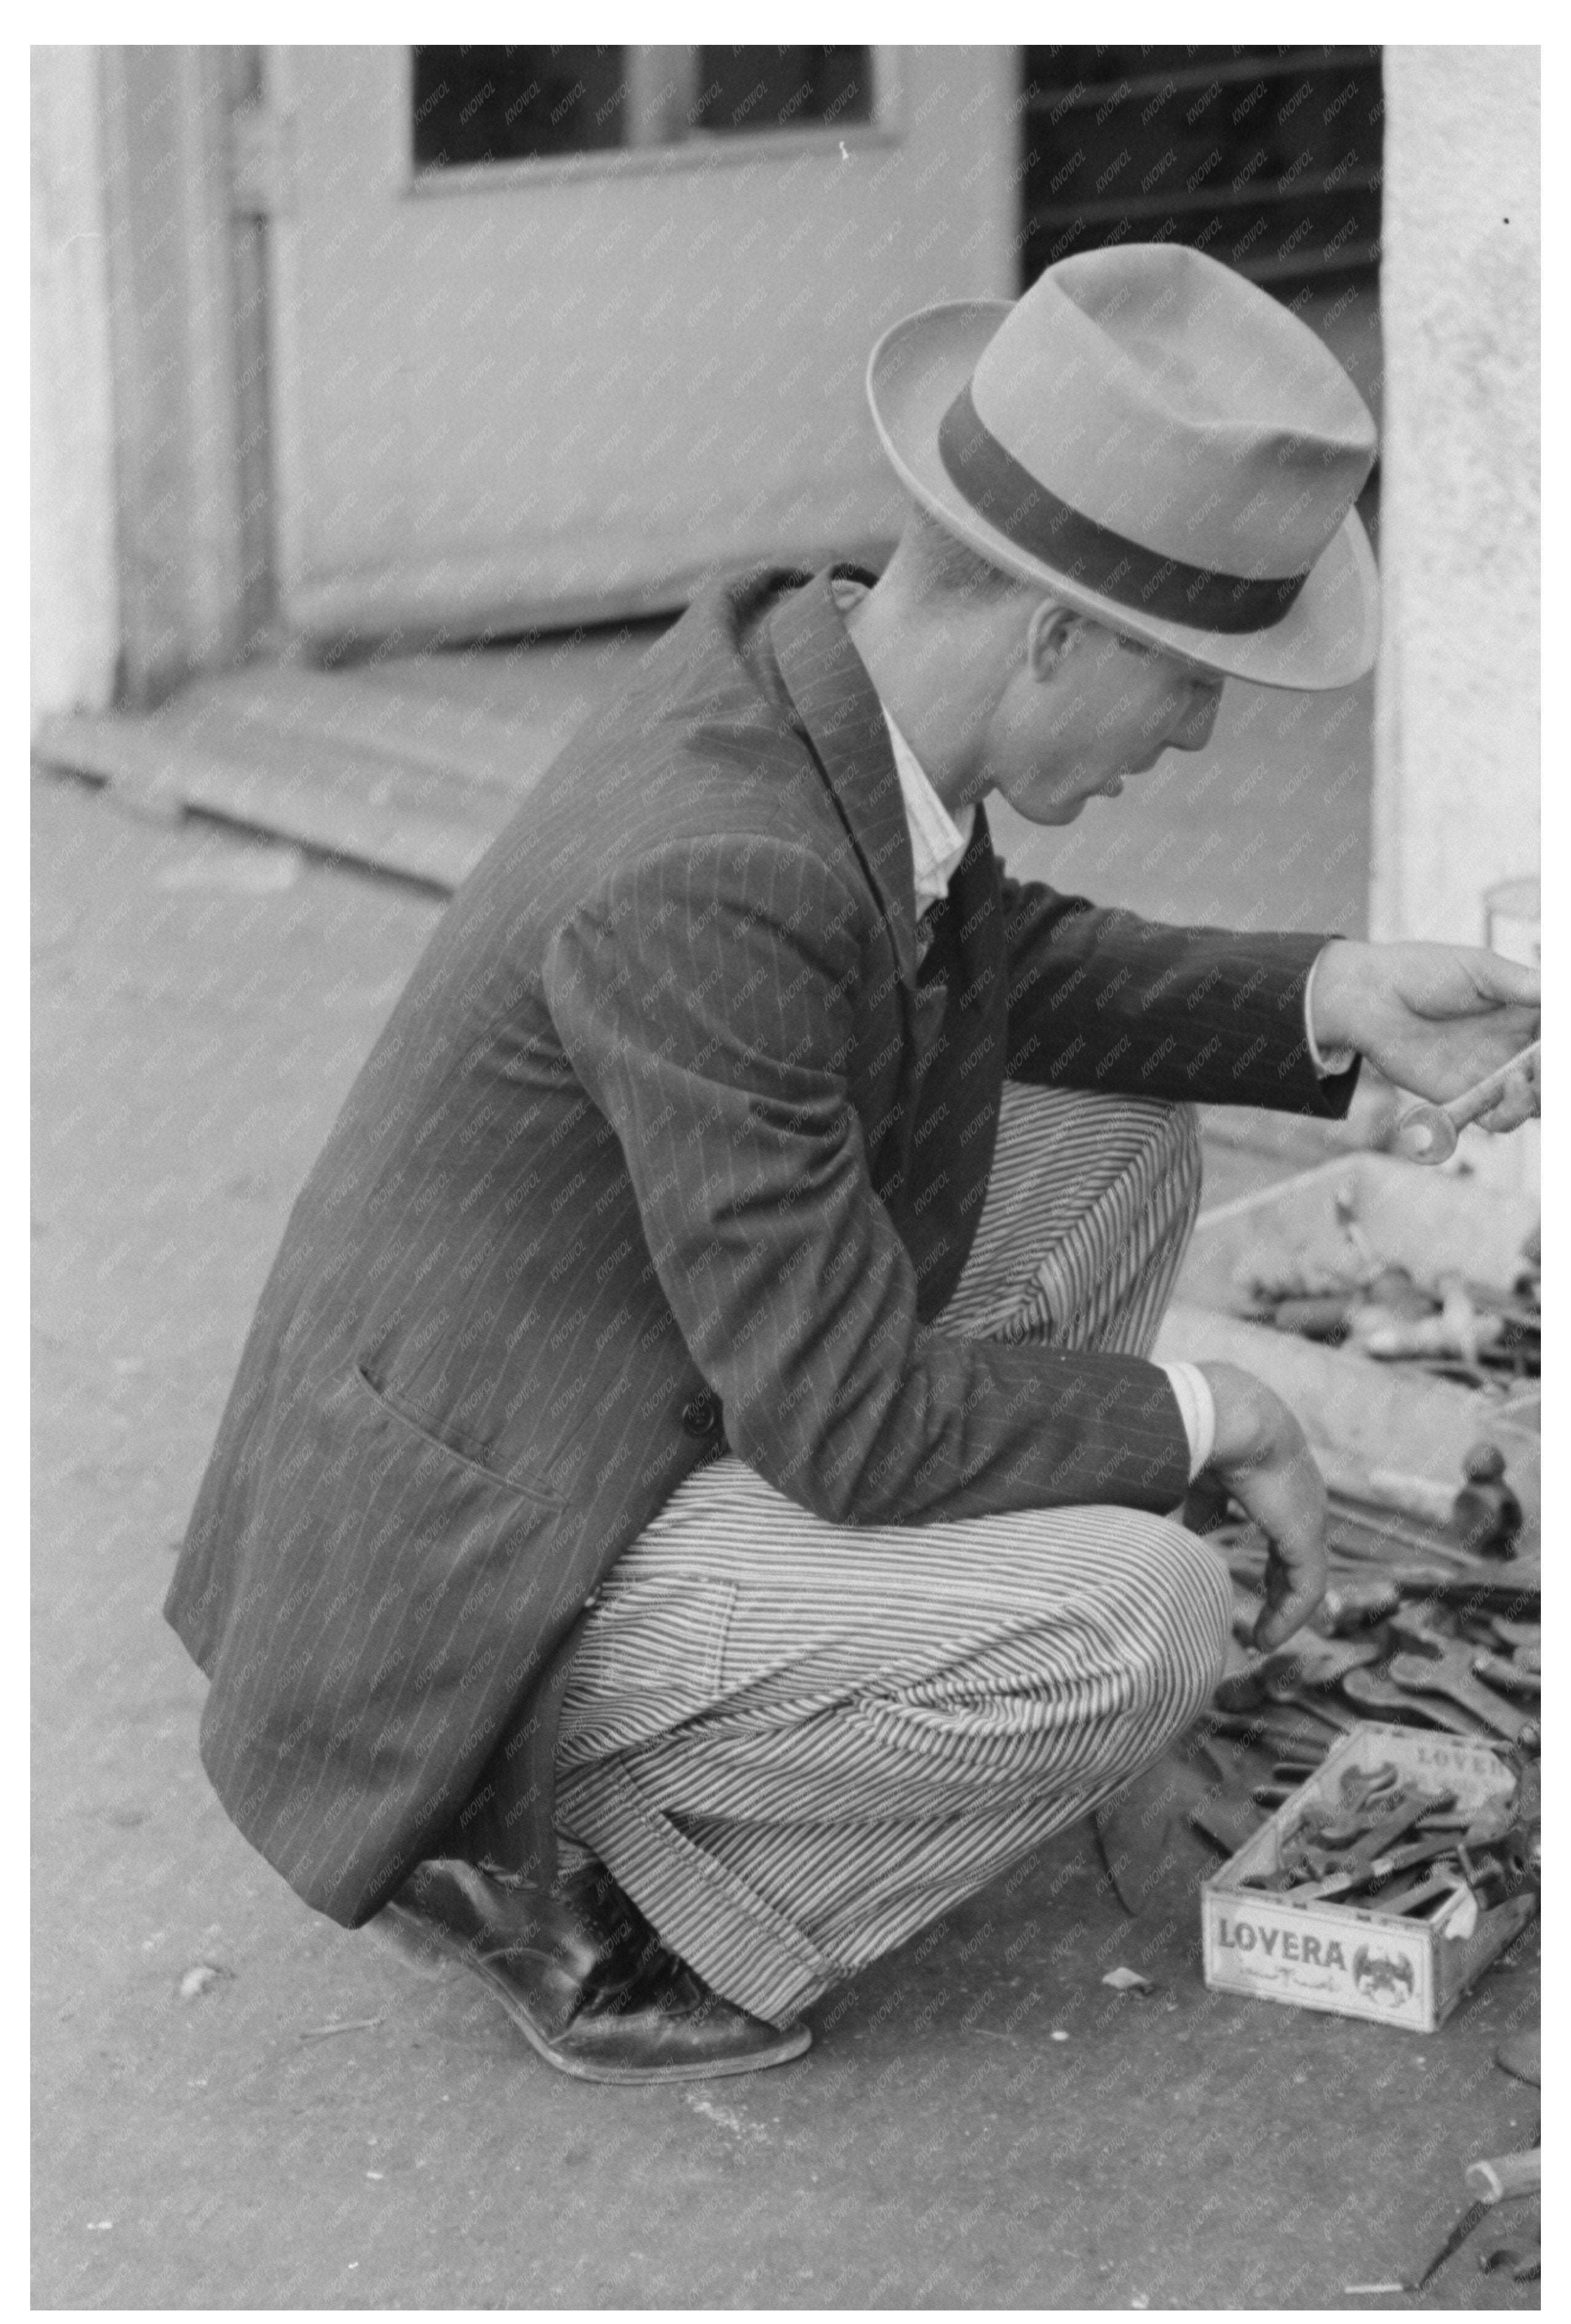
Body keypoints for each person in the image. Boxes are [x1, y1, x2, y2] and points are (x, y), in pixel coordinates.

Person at [166, 245, 1540, 2084]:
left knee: (1121, 1147)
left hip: (613, 1390)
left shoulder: (825, 673)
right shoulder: (711, 871)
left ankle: (867, 1677)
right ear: (1055, 631)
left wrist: (1333, 991)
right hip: (470, 1570)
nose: (1201, 731)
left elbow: (1000, 959)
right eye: (1192, 677)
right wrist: (1220, 1413)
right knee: (1148, 1616)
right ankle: (619, 1876)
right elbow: (854, 1422)